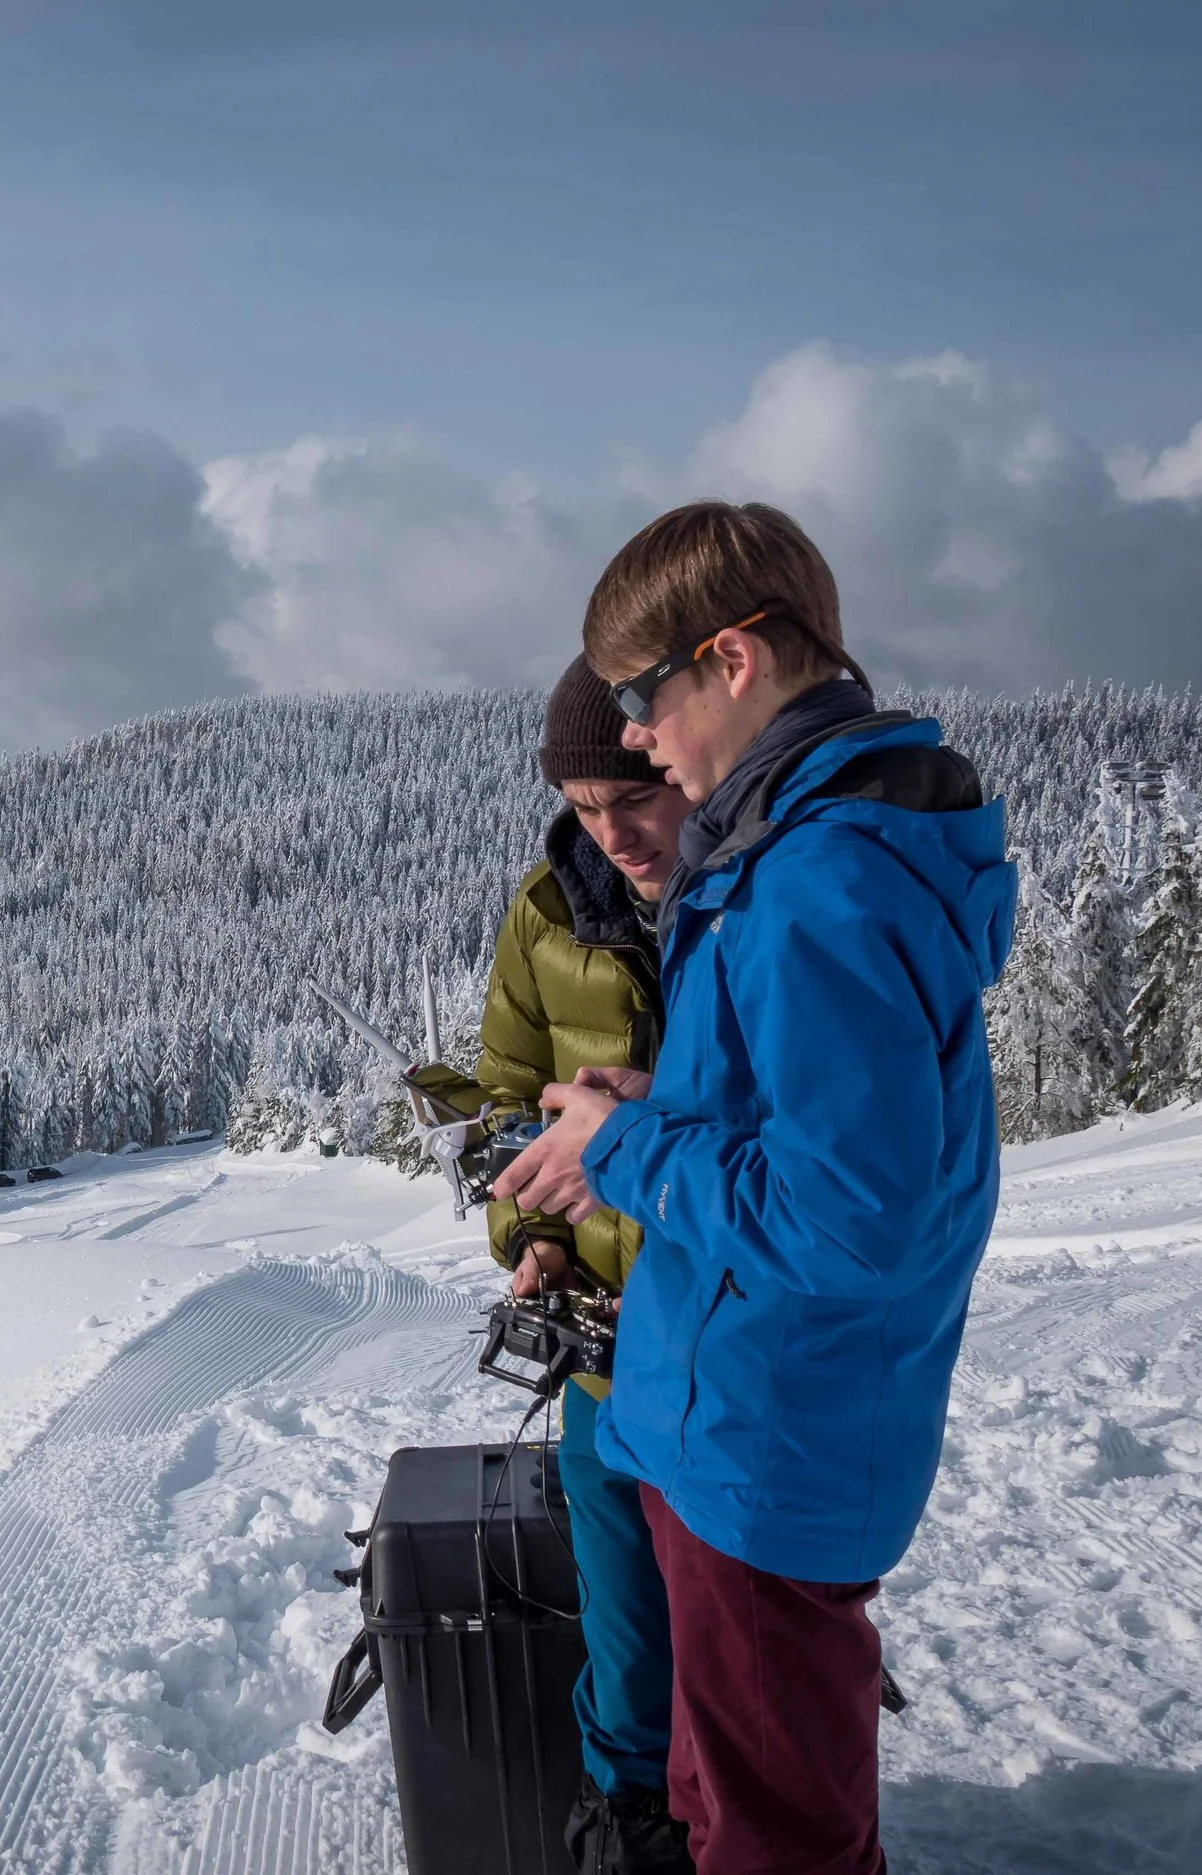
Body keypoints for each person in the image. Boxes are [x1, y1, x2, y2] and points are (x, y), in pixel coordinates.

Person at [493, 501, 1013, 1875]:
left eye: (637, 700)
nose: (636, 740)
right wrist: (653, 1110)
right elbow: (809, 1130)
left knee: (773, 1838)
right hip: (729, 1418)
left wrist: (623, 1149)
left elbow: (850, 1217)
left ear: (731, 660)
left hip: (770, 1435)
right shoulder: (788, 856)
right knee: (723, 1801)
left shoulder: (816, 880)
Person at [475, 655, 694, 1875]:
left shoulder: (752, 902)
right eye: (582, 805)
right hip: (607, 1348)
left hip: (732, 1340)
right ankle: (629, 1830)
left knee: (738, 1623)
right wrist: (538, 1237)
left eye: (633, 799)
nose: (610, 834)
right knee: (623, 1625)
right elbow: (508, 1099)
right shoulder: (547, 911)